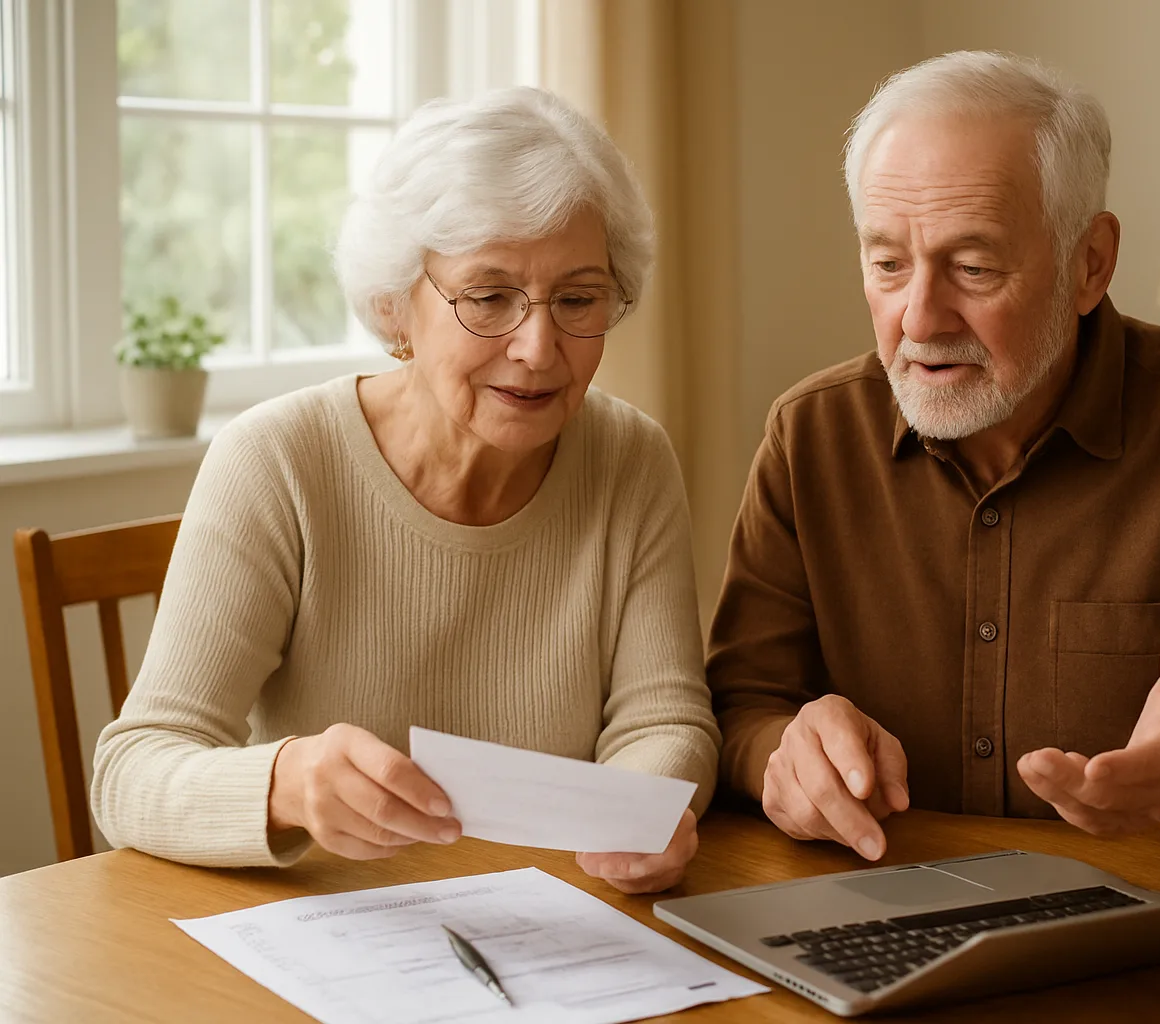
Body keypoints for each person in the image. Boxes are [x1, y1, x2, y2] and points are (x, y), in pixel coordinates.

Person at [708, 51, 1160, 862]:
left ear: (1090, 264)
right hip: (876, 930)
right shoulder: (809, 438)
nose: (919, 317)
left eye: (974, 267)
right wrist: (783, 750)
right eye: (887, 264)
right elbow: (742, 705)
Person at [92, 88, 718, 894]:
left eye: (577, 299)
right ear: (396, 306)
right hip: (323, 938)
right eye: (488, 297)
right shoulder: (278, 460)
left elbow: (664, 717)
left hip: (559, 925)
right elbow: (134, 768)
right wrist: (283, 784)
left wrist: (639, 810)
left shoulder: (632, 458)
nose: (537, 347)